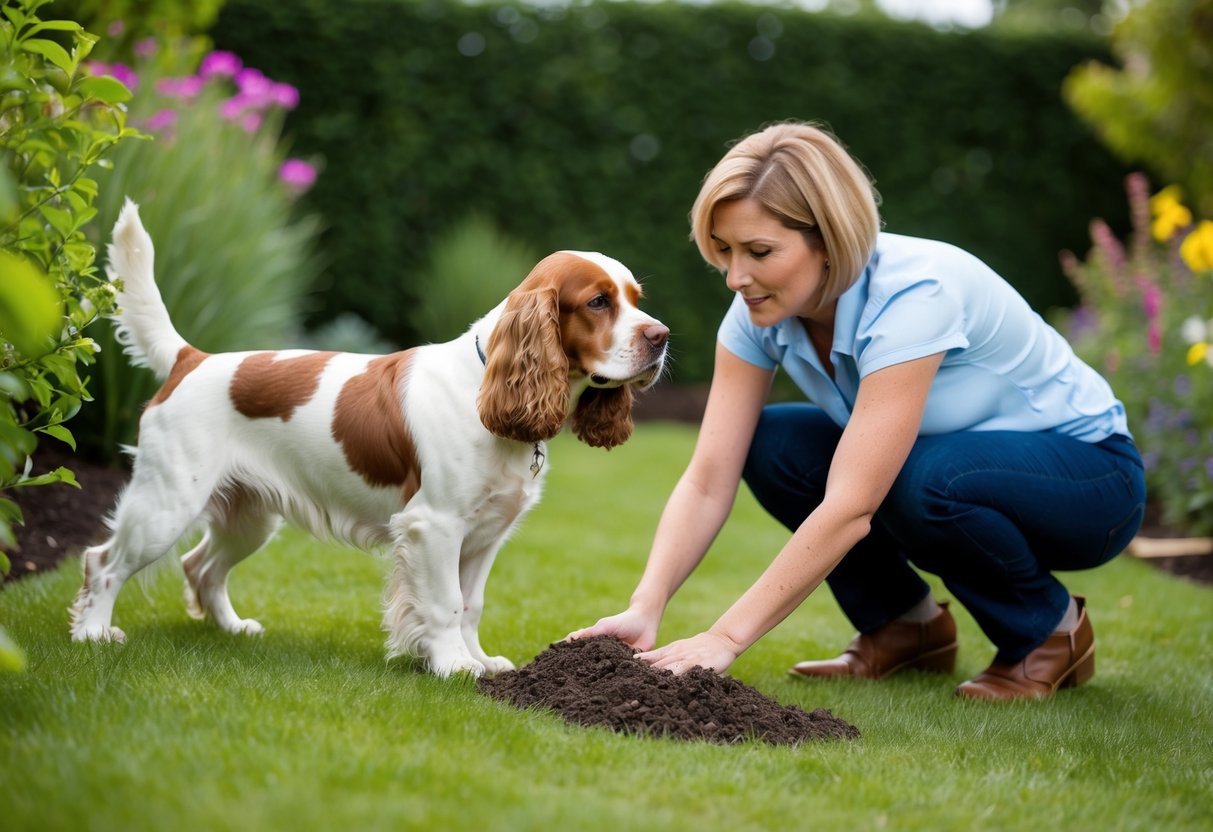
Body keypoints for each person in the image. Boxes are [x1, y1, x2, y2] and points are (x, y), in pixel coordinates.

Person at [568, 121, 1146, 700]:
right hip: (955, 467)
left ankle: (1047, 633)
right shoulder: (756, 312)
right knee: (773, 445)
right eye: (725, 251)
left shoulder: (914, 294)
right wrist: (646, 607)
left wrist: (724, 638)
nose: (736, 277)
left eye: (760, 251)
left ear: (827, 238)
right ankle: (903, 628)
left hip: (1093, 481)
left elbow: (852, 504)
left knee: (926, 481)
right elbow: (708, 479)